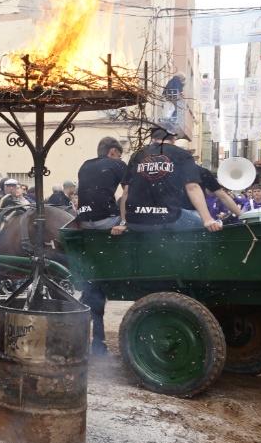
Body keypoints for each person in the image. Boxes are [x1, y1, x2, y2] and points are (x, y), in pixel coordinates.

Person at [111, 127, 220, 235]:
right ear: (173, 139)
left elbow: (126, 191)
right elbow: (193, 187)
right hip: (169, 219)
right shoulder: (182, 154)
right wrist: (207, 219)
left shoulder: (137, 155)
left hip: (136, 221)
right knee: (204, 227)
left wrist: (124, 222)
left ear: (153, 139)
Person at [75, 137, 127, 355]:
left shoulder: (85, 165)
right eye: (119, 154)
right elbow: (129, 194)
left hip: (85, 222)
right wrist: (124, 222)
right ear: (113, 152)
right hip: (106, 221)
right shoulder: (118, 165)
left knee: (92, 288)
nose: (120, 158)